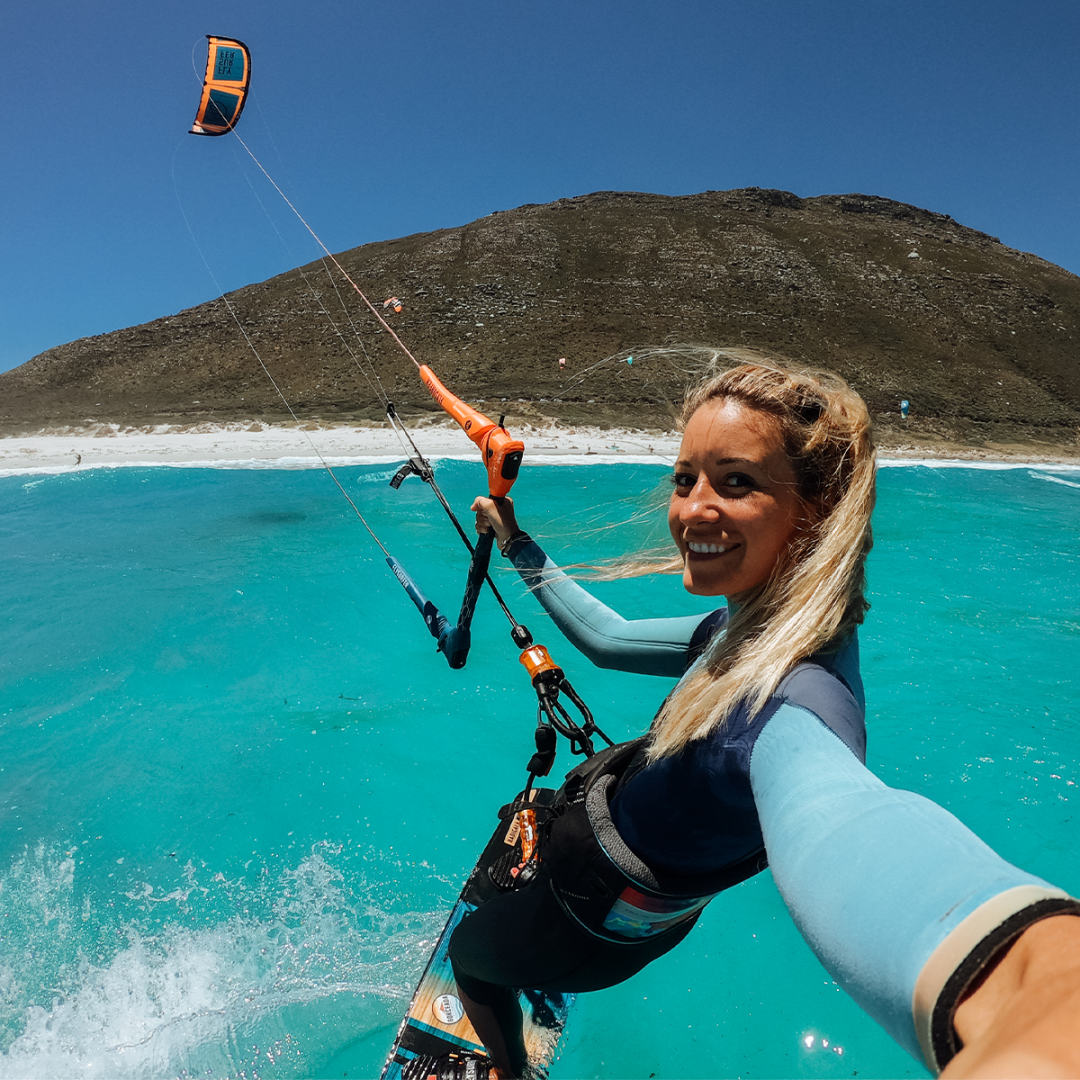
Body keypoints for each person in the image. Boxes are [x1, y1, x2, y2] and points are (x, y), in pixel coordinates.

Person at [442, 361, 877, 1077]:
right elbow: (607, 639)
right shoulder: (745, 626)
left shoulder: (800, 707)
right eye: (685, 480)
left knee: (472, 959)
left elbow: (866, 827)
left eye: (735, 482)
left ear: (816, 511)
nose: (692, 510)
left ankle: (511, 1071)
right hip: (620, 885)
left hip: (589, 930)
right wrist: (515, 539)